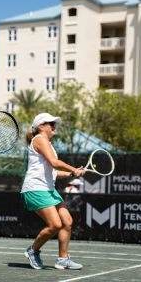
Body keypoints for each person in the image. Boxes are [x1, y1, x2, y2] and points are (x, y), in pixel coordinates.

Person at [20, 113, 86, 270]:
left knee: (67, 222)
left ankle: (63, 259)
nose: (54, 126)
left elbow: (53, 171)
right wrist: (72, 169)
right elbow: (54, 163)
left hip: (48, 189)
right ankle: (33, 250)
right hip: (36, 189)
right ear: (41, 127)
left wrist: (72, 172)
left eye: (54, 123)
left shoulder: (48, 144)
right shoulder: (39, 140)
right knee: (55, 224)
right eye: (51, 123)